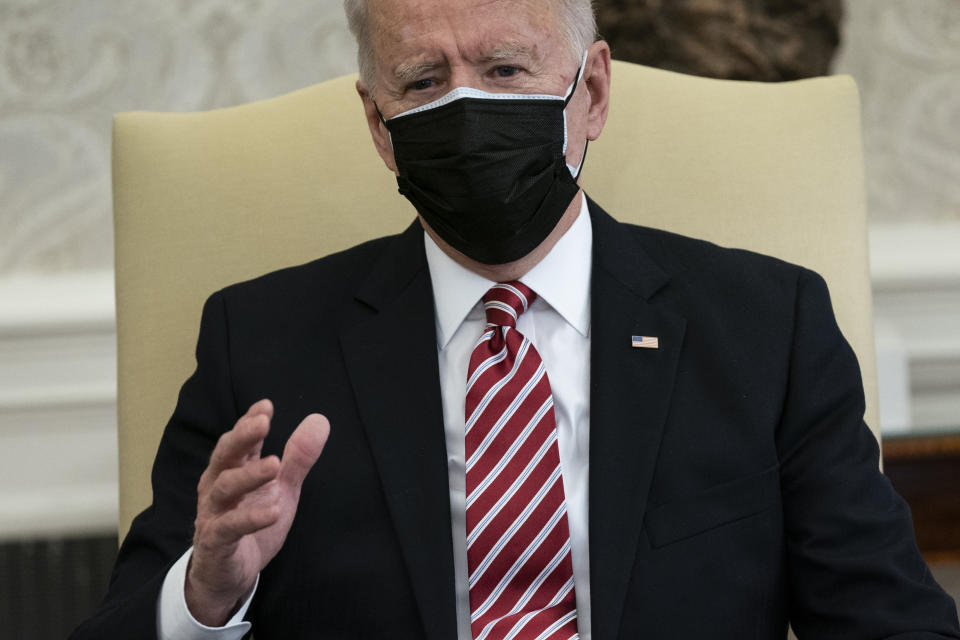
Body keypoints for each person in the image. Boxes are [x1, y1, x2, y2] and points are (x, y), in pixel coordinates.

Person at [73, 0, 960, 638]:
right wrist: (203, 597)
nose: (468, 109)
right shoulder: (259, 341)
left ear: (594, 91)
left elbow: (890, 620)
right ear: (379, 128)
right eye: (423, 81)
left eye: (505, 70)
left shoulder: (768, 330)